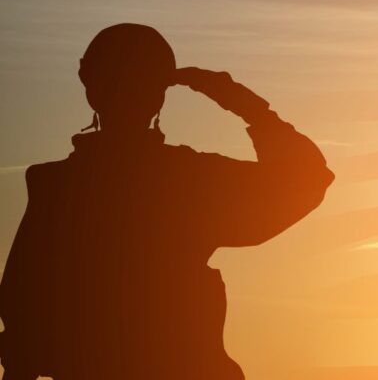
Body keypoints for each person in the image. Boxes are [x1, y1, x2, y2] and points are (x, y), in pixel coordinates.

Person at [0, 23, 335, 379]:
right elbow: (307, 178)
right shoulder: (189, 181)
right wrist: (242, 103)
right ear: (160, 92)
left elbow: (22, 319)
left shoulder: (55, 187)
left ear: (88, 83)